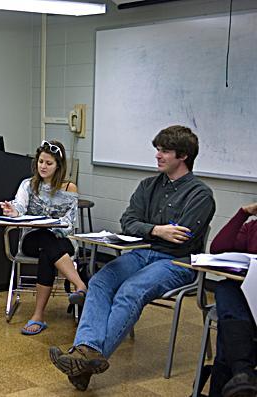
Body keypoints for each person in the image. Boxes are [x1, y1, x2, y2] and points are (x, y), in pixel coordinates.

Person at [50, 125, 216, 391]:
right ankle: (87, 353)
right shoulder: (148, 185)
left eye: (165, 151)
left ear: (183, 156)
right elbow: (128, 222)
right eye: (157, 150)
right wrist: (157, 229)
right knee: (101, 279)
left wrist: (147, 228)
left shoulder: (200, 194)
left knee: (131, 290)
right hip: (143, 253)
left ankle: (84, 358)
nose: (158, 155)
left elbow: (181, 236)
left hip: (178, 262)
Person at [0, 140, 85, 335]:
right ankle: (80, 285)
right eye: (40, 162)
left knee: (49, 249)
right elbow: (19, 208)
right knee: (45, 240)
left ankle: (38, 316)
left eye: (49, 163)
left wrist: (54, 228)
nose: (43, 167)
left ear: (58, 166)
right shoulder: (28, 185)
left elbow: (71, 222)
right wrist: (12, 211)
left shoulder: (69, 188)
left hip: (61, 239)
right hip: (32, 240)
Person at [208, 202, 257, 397]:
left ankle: (240, 372)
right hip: (249, 294)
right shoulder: (253, 226)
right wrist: (243, 213)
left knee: (228, 328)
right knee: (226, 288)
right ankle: (243, 373)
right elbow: (218, 249)